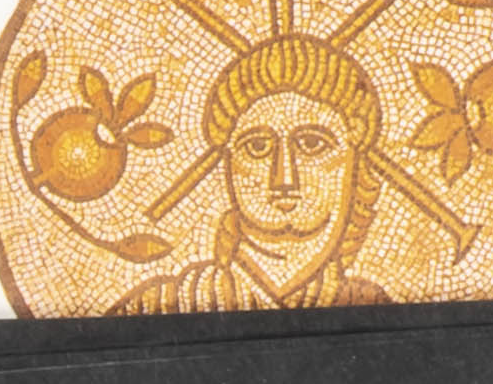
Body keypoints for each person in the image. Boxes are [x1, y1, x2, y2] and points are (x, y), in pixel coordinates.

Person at [106, 38, 408, 314]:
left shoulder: (375, 308)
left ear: (353, 162)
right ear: (228, 165)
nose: (285, 179)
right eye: (258, 147)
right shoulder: (154, 307)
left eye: (312, 144)